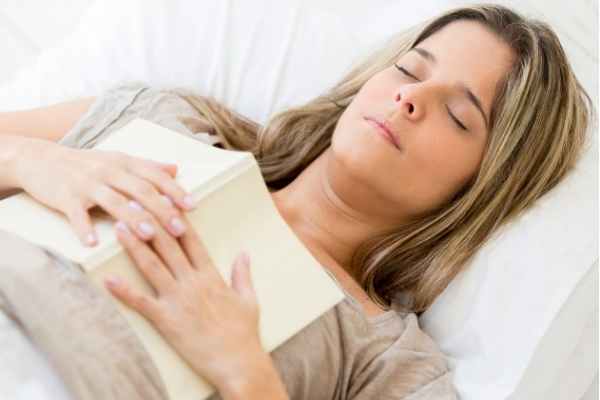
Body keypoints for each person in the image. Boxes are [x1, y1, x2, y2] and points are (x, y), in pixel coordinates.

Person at [0, 4, 591, 400]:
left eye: (458, 115)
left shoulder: (386, 361)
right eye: (410, 69)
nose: (411, 97)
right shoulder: (171, 119)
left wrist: (244, 370)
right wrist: (32, 161)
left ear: (481, 188)